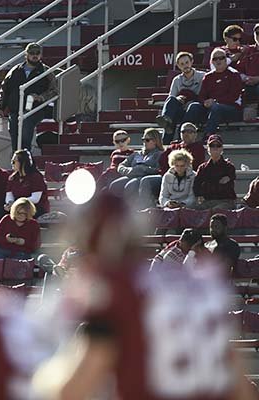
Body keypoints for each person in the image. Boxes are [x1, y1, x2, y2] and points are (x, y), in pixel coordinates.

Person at [35, 192, 255, 400]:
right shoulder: (204, 285)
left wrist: (41, 377)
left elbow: (75, 388)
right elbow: (241, 385)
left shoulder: (118, 289)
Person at [0, 43, 59, 152]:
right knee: (14, 135)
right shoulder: (15, 70)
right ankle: (18, 161)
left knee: (25, 132)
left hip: (35, 110)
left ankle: (25, 159)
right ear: (26, 55)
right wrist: (0, 108)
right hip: (15, 110)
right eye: (32, 53)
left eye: (37, 53)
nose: (35, 56)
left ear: (40, 55)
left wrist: (41, 97)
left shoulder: (46, 71)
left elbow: (54, 90)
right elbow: (4, 90)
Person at [138, 122, 204, 208]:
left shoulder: (199, 148)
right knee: (146, 181)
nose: (186, 134)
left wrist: (182, 171)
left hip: (189, 177)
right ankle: (147, 210)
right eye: (183, 131)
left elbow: (197, 166)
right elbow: (162, 161)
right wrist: (170, 174)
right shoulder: (174, 146)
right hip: (170, 175)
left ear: (195, 134)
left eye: (190, 131)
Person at [182, 48, 244, 137]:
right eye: (215, 59)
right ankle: (184, 135)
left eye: (221, 58)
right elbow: (201, 96)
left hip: (232, 108)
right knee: (193, 106)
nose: (218, 60)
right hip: (211, 108)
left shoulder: (234, 74)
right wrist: (204, 102)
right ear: (212, 61)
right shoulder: (208, 77)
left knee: (216, 107)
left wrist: (214, 101)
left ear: (226, 59)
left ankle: (208, 136)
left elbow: (234, 96)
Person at [155, 52, 205, 143]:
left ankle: (180, 135)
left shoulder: (202, 76)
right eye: (182, 64)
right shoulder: (176, 80)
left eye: (187, 62)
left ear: (192, 62)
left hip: (197, 109)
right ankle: (166, 121)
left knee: (193, 106)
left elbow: (205, 96)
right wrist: (177, 98)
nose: (185, 65)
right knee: (171, 100)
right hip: (182, 108)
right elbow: (171, 97)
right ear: (178, 66)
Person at [109, 128, 163, 204]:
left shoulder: (160, 154)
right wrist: (130, 171)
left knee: (130, 186)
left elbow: (159, 170)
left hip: (145, 177)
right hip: (131, 174)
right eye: (143, 139)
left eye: (147, 140)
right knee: (115, 185)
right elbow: (121, 166)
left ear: (155, 141)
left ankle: (133, 211)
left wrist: (143, 169)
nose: (144, 142)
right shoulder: (137, 154)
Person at [193, 134, 236, 210]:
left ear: (222, 148)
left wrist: (228, 178)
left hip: (226, 201)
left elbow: (232, 176)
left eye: (218, 145)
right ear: (208, 148)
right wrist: (199, 195)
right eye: (212, 145)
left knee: (215, 210)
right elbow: (196, 185)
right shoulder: (202, 168)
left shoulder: (229, 167)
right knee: (194, 211)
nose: (215, 148)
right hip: (207, 201)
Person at [5, 149, 49, 218]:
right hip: (17, 208)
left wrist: (17, 203)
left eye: (14, 161)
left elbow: (35, 199)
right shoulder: (12, 178)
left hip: (35, 209)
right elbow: (9, 195)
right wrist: (10, 203)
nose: (12, 163)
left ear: (23, 162)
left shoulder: (36, 176)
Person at [234, 23, 259, 101]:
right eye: (257, 33)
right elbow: (238, 70)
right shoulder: (248, 51)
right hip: (247, 85)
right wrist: (245, 78)